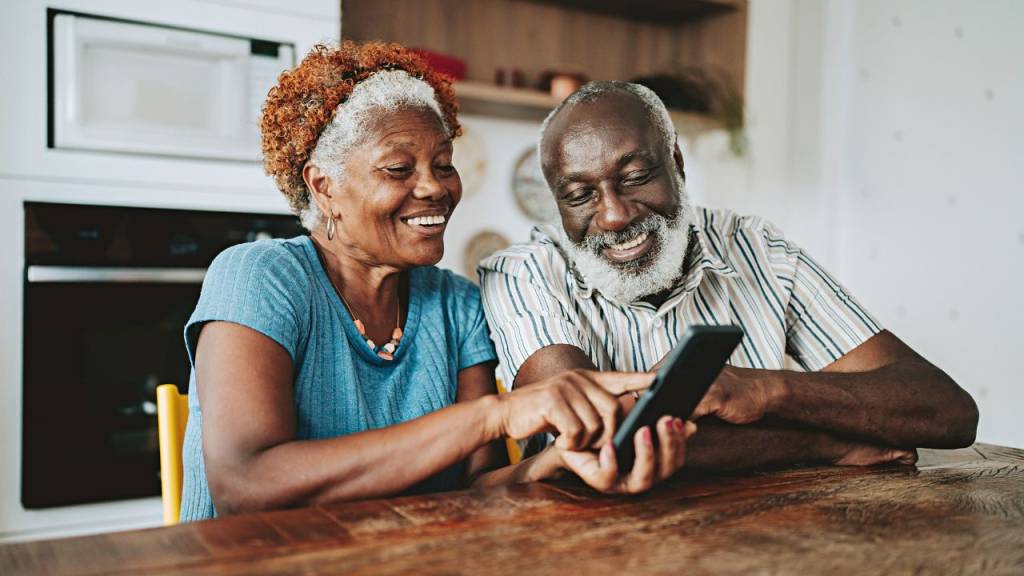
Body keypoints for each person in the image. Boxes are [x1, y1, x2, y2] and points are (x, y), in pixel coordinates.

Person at [179, 45, 691, 522]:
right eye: (399, 168)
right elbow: (245, 482)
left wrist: (555, 463)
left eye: (444, 164)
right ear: (323, 185)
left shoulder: (457, 304)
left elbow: (477, 489)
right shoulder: (259, 276)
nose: (434, 187)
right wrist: (495, 415)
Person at [479, 81, 979, 469]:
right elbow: (594, 442)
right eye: (579, 195)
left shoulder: (760, 250)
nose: (613, 216)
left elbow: (947, 411)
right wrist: (820, 441)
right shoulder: (522, 274)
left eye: (634, 177)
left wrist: (764, 391)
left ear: (676, 163)